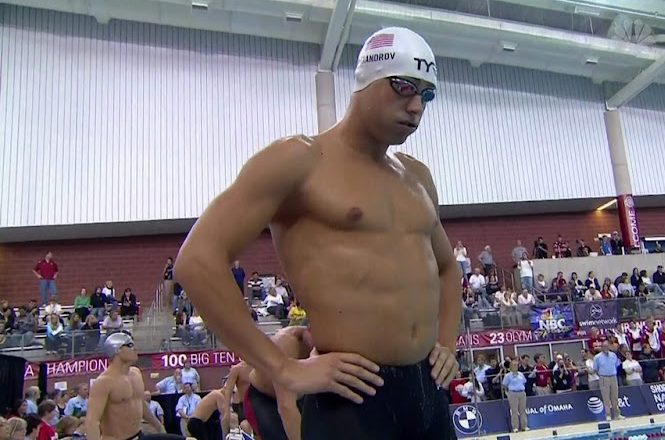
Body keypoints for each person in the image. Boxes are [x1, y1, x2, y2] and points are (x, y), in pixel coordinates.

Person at [174, 26, 460, 440]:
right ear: (365, 81)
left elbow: (448, 269)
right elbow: (197, 261)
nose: (416, 106)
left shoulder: (417, 176)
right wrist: (282, 367)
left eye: (426, 95)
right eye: (404, 87)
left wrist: (447, 344)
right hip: (352, 396)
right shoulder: (299, 161)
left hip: (428, 391)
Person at [85, 332, 183, 440]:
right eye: (130, 345)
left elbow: (139, 403)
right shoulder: (104, 382)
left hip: (138, 435)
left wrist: (158, 426)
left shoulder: (135, 373)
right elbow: (92, 421)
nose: (134, 349)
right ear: (117, 350)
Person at [244, 327, 312, 440]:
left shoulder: (330, 347)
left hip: (297, 398)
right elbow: (286, 407)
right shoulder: (286, 342)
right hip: (263, 399)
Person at [593, 341, 623, 421]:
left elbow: (616, 365)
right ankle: (608, 415)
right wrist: (601, 375)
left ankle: (617, 414)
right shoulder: (597, 357)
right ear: (602, 348)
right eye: (604, 347)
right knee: (606, 398)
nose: (606, 348)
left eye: (607, 346)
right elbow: (595, 369)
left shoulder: (613, 355)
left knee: (615, 397)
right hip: (604, 378)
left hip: (613, 377)